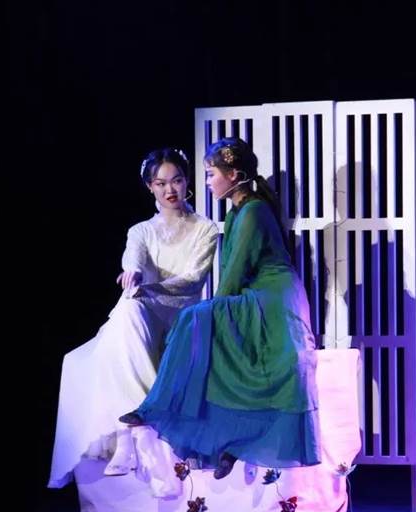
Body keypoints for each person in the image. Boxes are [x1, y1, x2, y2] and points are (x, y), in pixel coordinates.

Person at [120, 137, 321, 480]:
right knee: (203, 326)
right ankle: (229, 441)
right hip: (256, 295)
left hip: (274, 299)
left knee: (195, 317)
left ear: (235, 175)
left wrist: (213, 312)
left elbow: (234, 274)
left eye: (212, 174)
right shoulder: (238, 211)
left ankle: (160, 408)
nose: (208, 182)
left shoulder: (253, 211)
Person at [48, 148, 219, 493]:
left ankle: (129, 438)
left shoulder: (206, 228)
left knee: (121, 326)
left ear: (186, 181)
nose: (170, 190)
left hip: (182, 316)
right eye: (161, 183)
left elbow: (193, 280)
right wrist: (134, 274)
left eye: (176, 180)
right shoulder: (141, 230)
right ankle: (139, 436)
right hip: (143, 314)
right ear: (149, 187)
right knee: (127, 311)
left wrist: (149, 287)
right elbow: (134, 259)